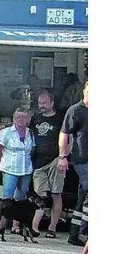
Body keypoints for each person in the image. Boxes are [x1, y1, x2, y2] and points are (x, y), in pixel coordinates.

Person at [29, 90, 65, 238]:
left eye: (44, 103)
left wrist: (64, 156)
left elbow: (67, 138)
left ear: (52, 103)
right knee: (40, 196)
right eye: (39, 103)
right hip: (38, 162)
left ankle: (52, 228)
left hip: (55, 160)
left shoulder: (60, 119)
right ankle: (35, 228)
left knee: (56, 193)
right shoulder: (35, 119)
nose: (41, 106)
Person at [58, 81, 88, 245]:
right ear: (84, 92)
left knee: (83, 195)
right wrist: (63, 156)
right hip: (82, 159)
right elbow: (64, 134)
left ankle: (74, 234)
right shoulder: (75, 111)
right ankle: (85, 232)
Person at [0, 108, 36, 202]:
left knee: (21, 199)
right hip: (10, 169)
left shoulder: (30, 133)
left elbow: (32, 150)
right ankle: (4, 217)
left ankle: (17, 217)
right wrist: (4, 159)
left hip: (26, 170)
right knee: (7, 200)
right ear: (13, 119)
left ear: (28, 120)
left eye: (24, 117)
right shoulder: (5, 132)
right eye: (18, 117)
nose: (21, 119)